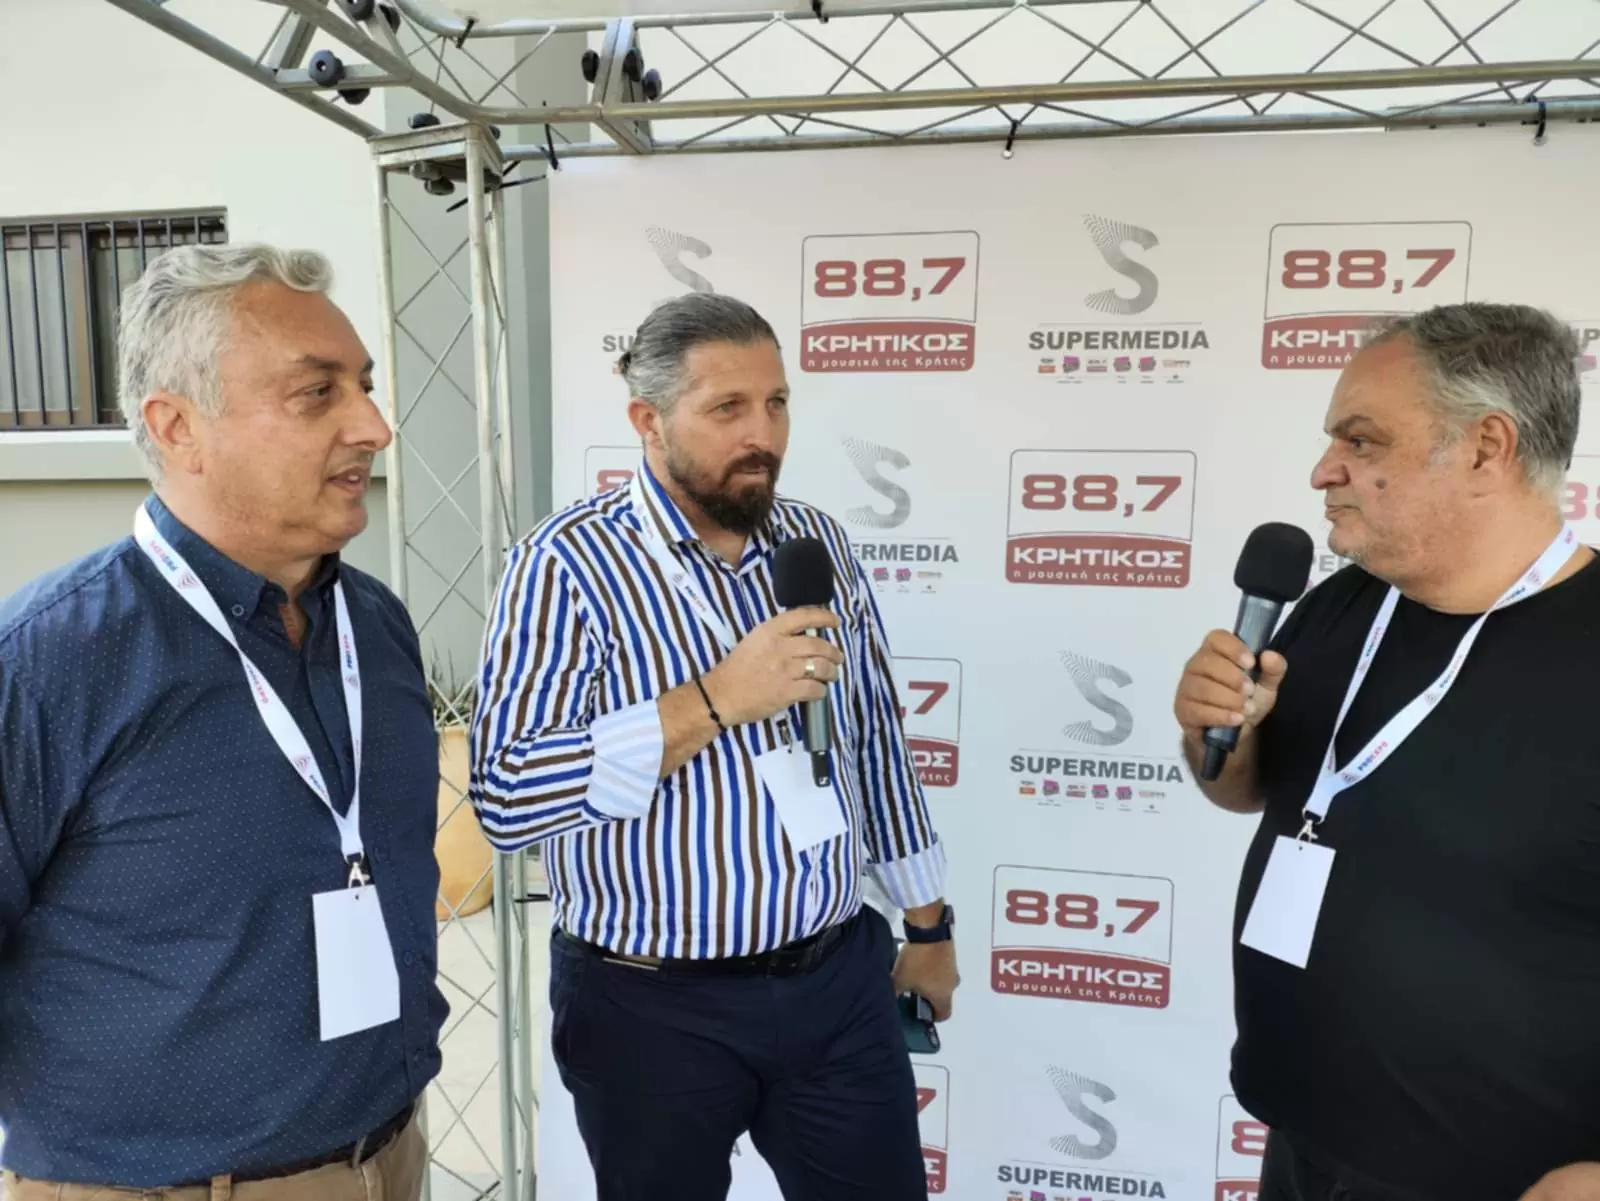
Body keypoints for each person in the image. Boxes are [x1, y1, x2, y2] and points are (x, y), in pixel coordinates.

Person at [470, 291, 958, 1201]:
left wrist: (927, 922)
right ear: (647, 421)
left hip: (836, 982)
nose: (762, 433)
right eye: (727, 407)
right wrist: (714, 700)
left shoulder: (814, 541)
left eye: (776, 404)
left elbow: (875, 742)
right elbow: (507, 792)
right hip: (649, 1009)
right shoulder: (565, 563)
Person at [0, 245, 444, 1201]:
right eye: (317, 393)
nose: (373, 426)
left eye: (364, 385)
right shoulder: (48, 660)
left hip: (391, 1158)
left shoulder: (375, 625)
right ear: (178, 426)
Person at [1172, 302, 1600, 1201]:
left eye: (1360, 440)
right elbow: (1253, 792)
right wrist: (1220, 735)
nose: (1322, 470)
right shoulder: (1340, 605)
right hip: (1301, 1136)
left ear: (1486, 448)